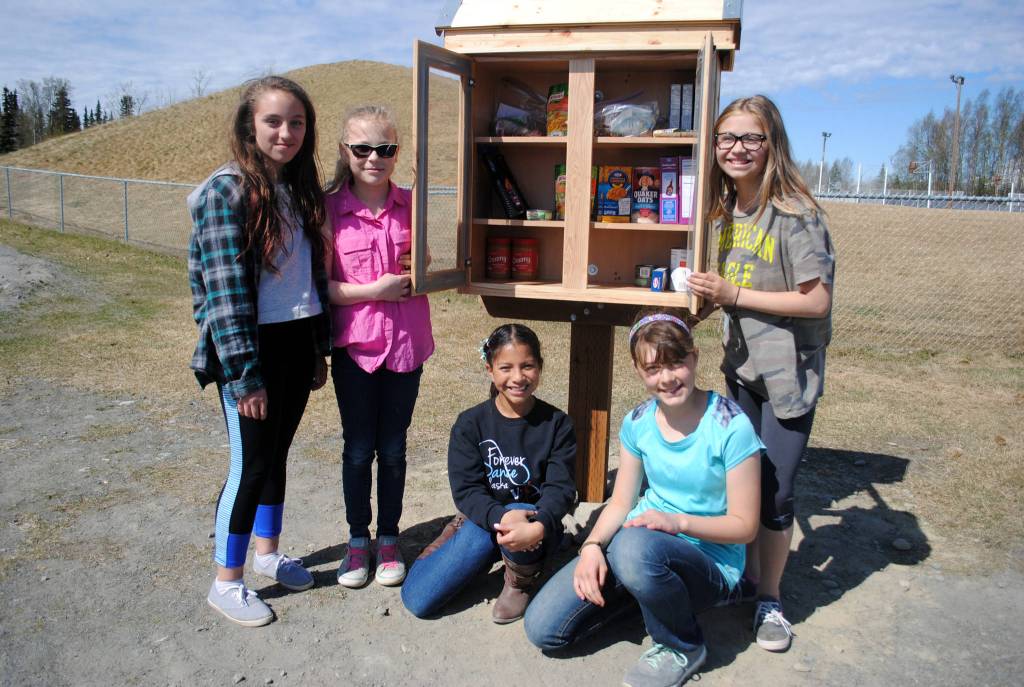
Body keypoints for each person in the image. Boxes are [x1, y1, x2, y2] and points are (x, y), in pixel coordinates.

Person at [524, 312, 762, 687]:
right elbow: (620, 503)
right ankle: (654, 597)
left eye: (676, 362)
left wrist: (677, 523)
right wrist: (591, 547)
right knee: (544, 629)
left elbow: (745, 527)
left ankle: (682, 645)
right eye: (653, 369)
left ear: (695, 357)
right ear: (638, 371)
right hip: (641, 548)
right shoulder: (637, 423)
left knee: (633, 548)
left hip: (707, 558)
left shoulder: (731, 426)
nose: (667, 378)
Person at [687, 94, 836, 652]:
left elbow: (817, 300)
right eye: (727, 138)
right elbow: (725, 293)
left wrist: (733, 293)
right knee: (738, 484)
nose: (737, 148)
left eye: (751, 137)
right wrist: (703, 303)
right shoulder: (724, 214)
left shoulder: (795, 213)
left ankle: (770, 599)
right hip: (740, 371)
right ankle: (745, 581)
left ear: (773, 143)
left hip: (787, 381)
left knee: (775, 493)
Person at [188, 76, 330, 627]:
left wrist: (317, 348)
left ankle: (267, 554)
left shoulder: (297, 186)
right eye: (274, 121)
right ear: (250, 125)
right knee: (249, 465)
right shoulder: (228, 190)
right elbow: (223, 295)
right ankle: (226, 582)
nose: (286, 132)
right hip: (250, 349)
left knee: (277, 457)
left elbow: (305, 280)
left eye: (297, 122)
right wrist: (245, 376)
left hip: (295, 340)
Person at [324, 105, 434, 589]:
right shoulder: (328, 210)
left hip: (406, 347)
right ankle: (356, 541)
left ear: (397, 153)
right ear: (345, 151)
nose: (374, 157)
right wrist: (378, 290)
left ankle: (388, 540)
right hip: (356, 351)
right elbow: (322, 288)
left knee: (393, 449)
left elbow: (425, 270)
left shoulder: (414, 204)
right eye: (363, 148)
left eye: (385, 149)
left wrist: (423, 267)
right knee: (356, 449)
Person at [402, 323, 576, 623]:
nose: (518, 377)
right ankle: (470, 544)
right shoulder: (470, 424)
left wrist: (540, 525)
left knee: (521, 509)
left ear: (540, 367)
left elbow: (560, 489)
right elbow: (466, 489)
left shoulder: (557, 424)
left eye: (528, 366)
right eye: (506, 367)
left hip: (534, 524)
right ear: (490, 370)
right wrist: (500, 516)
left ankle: (522, 578)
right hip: (486, 522)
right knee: (418, 599)